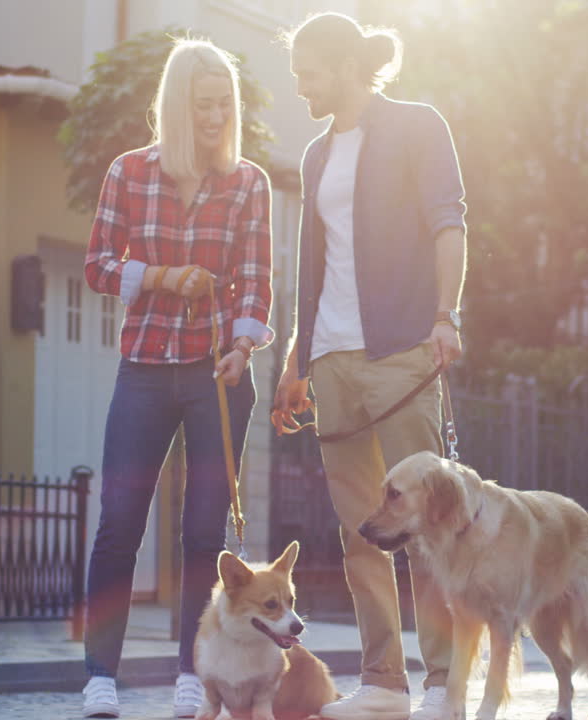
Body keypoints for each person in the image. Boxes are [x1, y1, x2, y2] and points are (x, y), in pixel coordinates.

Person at [273, 13, 467, 720]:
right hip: (333, 360)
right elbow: (313, 265)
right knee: (363, 534)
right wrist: (298, 359)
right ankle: (385, 680)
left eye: (308, 74)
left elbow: (451, 222)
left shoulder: (418, 126)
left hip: (403, 352)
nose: (301, 88)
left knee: (425, 527)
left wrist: (447, 316)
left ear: (346, 66)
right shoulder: (317, 156)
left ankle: (444, 679)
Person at [80, 39, 274, 720]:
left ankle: (193, 675)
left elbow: (256, 278)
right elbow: (99, 266)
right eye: (204, 106)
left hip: (216, 374)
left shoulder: (249, 182)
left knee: (202, 534)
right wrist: (161, 277)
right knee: (119, 524)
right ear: (176, 107)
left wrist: (243, 348)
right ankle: (100, 674)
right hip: (144, 369)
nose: (217, 116)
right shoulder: (129, 173)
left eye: (225, 104)